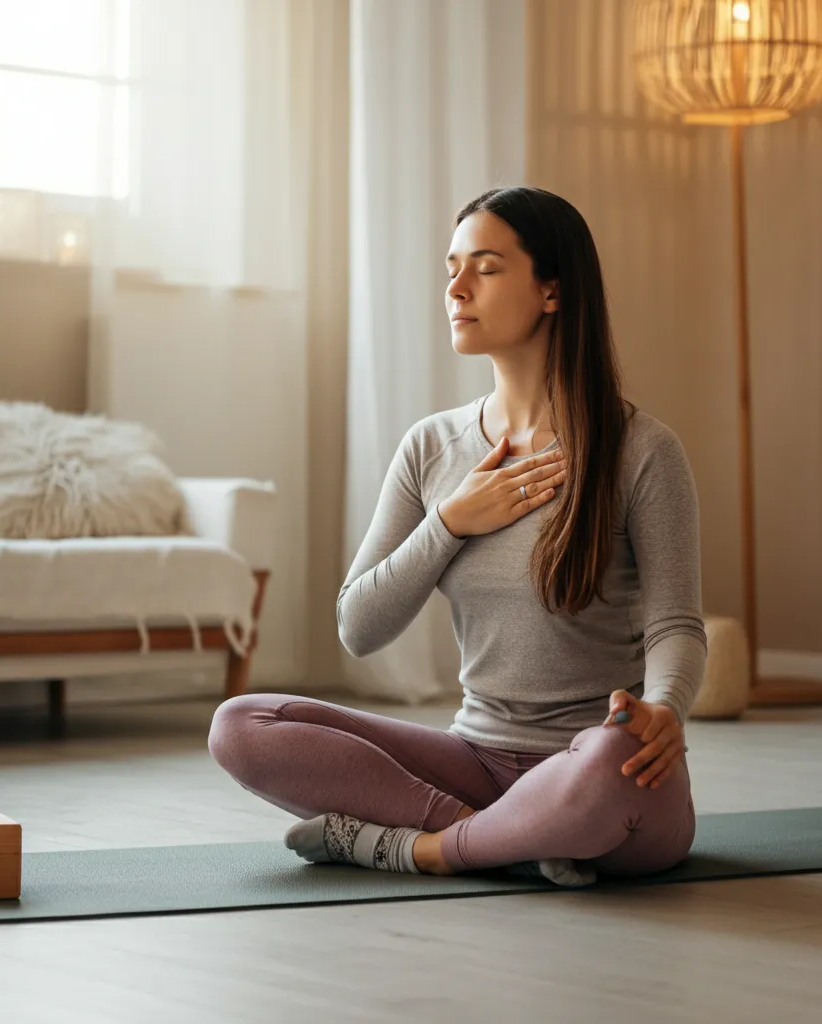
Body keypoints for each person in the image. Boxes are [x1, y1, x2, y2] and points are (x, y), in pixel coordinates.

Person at [209, 186, 706, 887]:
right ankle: (512, 837)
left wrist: (661, 710)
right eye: (451, 269)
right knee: (241, 723)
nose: (456, 288)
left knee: (602, 761)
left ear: (552, 291)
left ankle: (424, 847)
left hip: (601, 766)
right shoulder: (431, 448)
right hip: (474, 760)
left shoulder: (643, 450)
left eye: (487, 267)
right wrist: (449, 523)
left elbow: (676, 624)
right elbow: (359, 625)